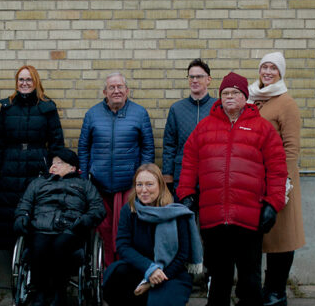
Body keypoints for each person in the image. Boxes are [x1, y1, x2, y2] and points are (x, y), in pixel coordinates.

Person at [177, 72, 287, 306]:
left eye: (235, 93)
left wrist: (272, 203)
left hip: (248, 219)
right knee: (218, 279)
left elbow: (277, 168)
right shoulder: (204, 127)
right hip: (214, 219)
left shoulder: (262, 128)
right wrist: (186, 193)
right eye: (225, 93)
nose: (229, 97)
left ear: (245, 96)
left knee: (250, 281)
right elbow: (189, 161)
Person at [78, 72, 155, 266]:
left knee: (125, 231)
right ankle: (104, 272)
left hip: (128, 186)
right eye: (112, 87)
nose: (116, 91)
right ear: (105, 91)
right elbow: (83, 148)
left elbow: (147, 148)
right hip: (99, 185)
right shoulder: (92, 114)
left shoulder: (139, 113)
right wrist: (84, 181)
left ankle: (125, 269)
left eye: (120, 87)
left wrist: (142, 181)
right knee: (102, 231)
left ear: (127, 90)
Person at [13, 148, 106, 306]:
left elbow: (98, 208)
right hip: (41, 227)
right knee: (39, 246)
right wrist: (22, 216)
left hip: (71, 229)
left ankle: (59, 293)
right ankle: (40, 293)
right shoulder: (38, 183)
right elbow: (25, 204)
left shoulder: (84, 185)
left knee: (60, 246)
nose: (53, 166)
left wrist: (85, 219)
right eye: (52, 163)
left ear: (73, 168)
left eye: (59, 163)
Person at [247, 52, 304, 306]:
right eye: (264, 67)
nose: (267, 72)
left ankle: (276, 291)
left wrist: (285, 184)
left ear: (281, 73)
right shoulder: (252, 99)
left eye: (273, 68)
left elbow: (291, 148)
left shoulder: (286, 102)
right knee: (263, 237)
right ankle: (260, 289)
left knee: (282, 237)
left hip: (281, 180)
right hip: (254, 179)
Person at [0, 65, 64, 250]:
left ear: (35, 82)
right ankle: (15, 269)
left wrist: (55, 175)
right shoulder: (7, 107)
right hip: (9, 170)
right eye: (21, 80)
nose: (24, 83)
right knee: (11, 216)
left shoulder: (47, 107)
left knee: (36, 216)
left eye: (28, 79)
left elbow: (56, 144)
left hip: (37, 168)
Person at [104, 164, 202, 306]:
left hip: (172, 273)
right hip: (140, 268)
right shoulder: (129, 210)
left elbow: (182, 255)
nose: (144, 190)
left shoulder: (176, 212)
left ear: (160, 186)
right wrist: (149, 269)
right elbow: (123, 246)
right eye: (139, 185)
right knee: (115, 274)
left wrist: (151, 281)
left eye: (149, 184)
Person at [162, 58, 217, 196]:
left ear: (208, 80)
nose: (194, 80)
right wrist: (167, 175)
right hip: (182, 176)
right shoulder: (177, 109)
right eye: (191, 77)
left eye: (199, 76)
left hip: (211, 175)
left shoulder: (218, 107)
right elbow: (169, 144)